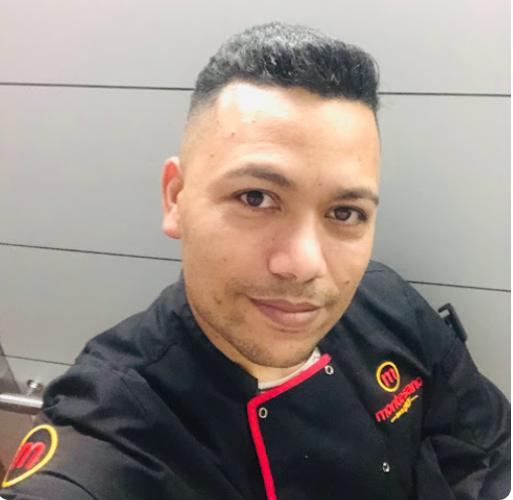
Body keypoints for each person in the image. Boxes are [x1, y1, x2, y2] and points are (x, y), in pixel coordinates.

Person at [0, 22, 509, 500]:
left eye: (345, 212)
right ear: (176, 197)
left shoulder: (387, 303)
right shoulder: (111, 435)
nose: (304, 265)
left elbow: (487, 444)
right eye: (256, 198)